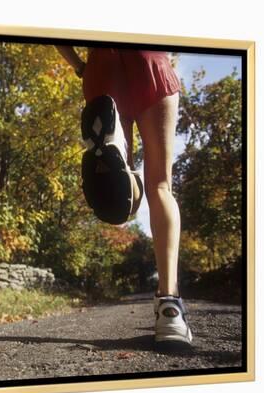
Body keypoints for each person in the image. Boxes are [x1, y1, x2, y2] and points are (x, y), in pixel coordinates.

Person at [55, 45, 193, 344]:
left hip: (102, 68)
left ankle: (120, 166)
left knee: (123, 194)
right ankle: (170, 306)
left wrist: (80, 65)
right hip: (150, 60)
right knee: (160, 185)